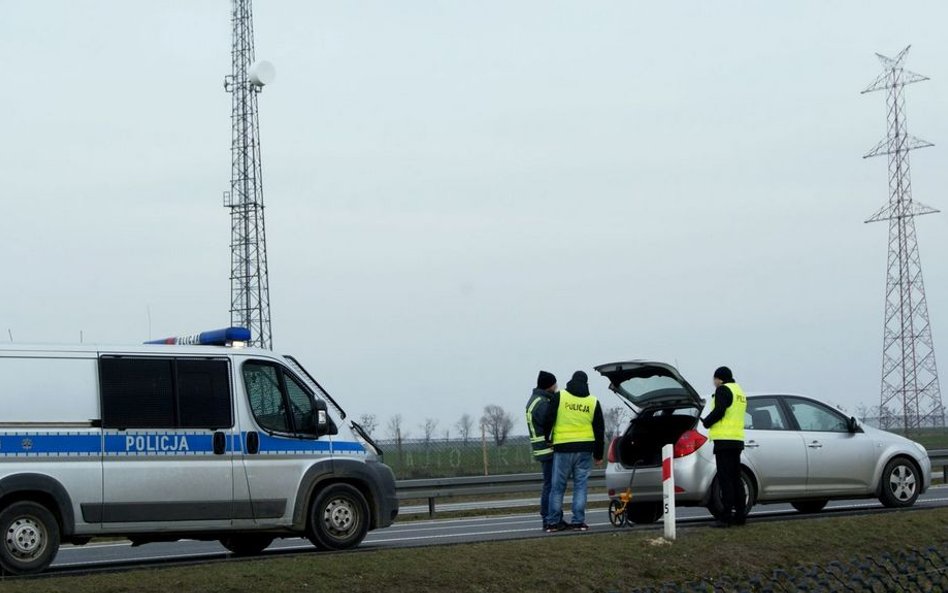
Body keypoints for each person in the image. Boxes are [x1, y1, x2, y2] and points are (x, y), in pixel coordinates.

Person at [543, 370, 604, 532]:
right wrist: (598, 455)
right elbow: (599, 430)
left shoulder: (560, 396)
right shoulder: (593, 402)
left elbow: (549, 418)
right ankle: (578, 521)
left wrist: (548, 439)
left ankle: (553, 522)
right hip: (585, 449)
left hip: (562, 448)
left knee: (557, 487)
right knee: (580, 486)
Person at [701, 365, 748, 527]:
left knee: (725, 478)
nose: (714, 382)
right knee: (736, 478)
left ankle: (726, 517)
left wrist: (706, 422)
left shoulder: (723, 390)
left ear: (719, 378)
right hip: (736, 440)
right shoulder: (739, 392)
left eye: (714, 379)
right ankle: (740, 515)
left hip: (724, 440)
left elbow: (720, 410)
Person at [525, 370, 557, 531]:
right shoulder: (543, 403)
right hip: (547, 449)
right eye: (554, 384)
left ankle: (549, 516)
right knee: (551, 486)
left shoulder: (535, 400)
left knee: (549, 485)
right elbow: (549, 425)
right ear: (548, 386)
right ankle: (549, 518)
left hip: (541, 449)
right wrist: (553, 441)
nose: (556, 387)